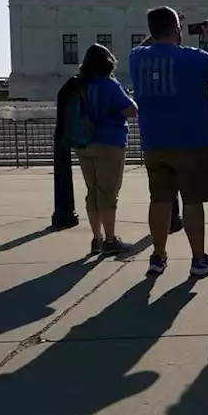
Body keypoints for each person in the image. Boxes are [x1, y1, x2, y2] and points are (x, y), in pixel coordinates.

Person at [128, 7, 208, 278]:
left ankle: (158, 256)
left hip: (154, 142)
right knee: (193, 202)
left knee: (160, 200)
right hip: (192, 141)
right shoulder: (193, 57)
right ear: (177, 29)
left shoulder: (137, 58)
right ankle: (198, 259)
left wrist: (161, 32)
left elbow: (145, 46)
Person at [61, 44, 139, 256]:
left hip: (83, 142)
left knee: (92, 192)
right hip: (109, 142)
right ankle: (111, 240)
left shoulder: (80, 84)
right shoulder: (109, 84)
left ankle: (97, 238)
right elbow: (132, 110)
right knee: (108, 194)